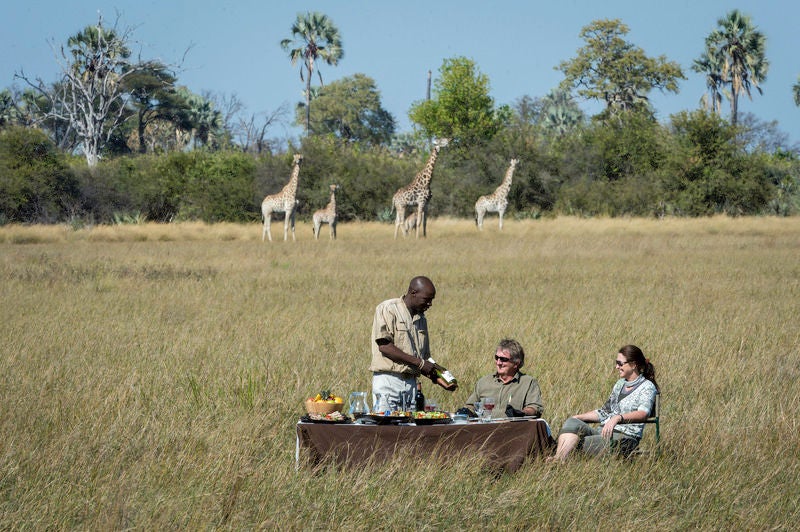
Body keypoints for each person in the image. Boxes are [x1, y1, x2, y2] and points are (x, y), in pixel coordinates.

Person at [547, 345, 658, 462]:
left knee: (573, 444)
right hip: (604, 432)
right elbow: (605, 412)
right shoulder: (620, 384)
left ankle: (559, 460)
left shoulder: (647, 387)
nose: (616, 367)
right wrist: (579, 417)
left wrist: (617, 418)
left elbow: (643, 413)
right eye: (616, 363)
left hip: (625, 438)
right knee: (572, 422)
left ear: (633, 364)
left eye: (620, 363)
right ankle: (559, 459)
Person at [370, 276, 457, 411]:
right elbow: (385, 346)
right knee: (387, 428)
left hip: (411, 383)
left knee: (410, 429)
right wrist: (420, 364)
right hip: (389, 381)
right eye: (426, 300)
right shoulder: (388, 309)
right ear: (413, 293)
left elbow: (425, 358)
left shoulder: (421, 319)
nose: (430, 304)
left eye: (431, 300)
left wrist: (440, 377)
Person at [459, 338, 543, 420]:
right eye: (497, 358)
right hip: (484, 431)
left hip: (514, 430)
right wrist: (465, 412)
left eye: (503, 359)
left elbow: (535, 408)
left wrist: (521, 413)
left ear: (516, 363)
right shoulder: (484, 382)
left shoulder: (528, 382)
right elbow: (470, 406)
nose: (498, 362)